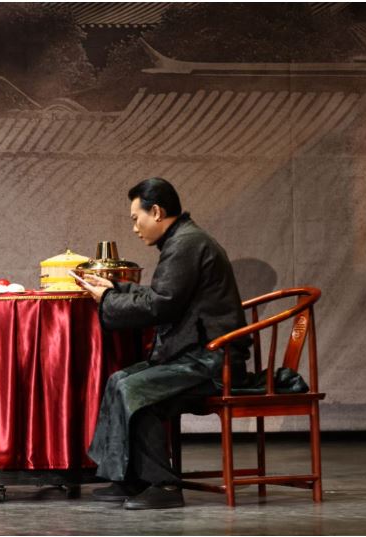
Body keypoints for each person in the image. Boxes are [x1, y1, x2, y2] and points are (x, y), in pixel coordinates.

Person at [79, 177, 250, 510]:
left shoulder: (186, 244)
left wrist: (108, 300)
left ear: (156, 211)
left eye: (136, 218)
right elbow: (163, 295)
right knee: (119, 380)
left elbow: (161, 305)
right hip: (196, 356)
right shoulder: (183, 240)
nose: (134, 228)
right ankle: (129, 478)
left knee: (136, 389)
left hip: (213, 361)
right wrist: (115, 290)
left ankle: (165, 485)